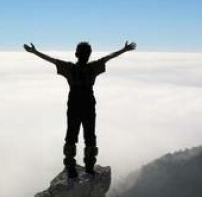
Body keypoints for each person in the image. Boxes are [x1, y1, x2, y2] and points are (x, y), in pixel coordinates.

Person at [23, 40, 136, 178]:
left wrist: (35, 52)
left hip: (74, 106)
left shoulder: (69, 68)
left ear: (76, 54)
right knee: (90, 137)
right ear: (89, 55)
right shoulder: (93, 67)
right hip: (88, 105)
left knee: (71, 136)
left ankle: (70, 167)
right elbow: (109, 57)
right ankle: (89, 167)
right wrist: (124, 50)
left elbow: (51, 60)